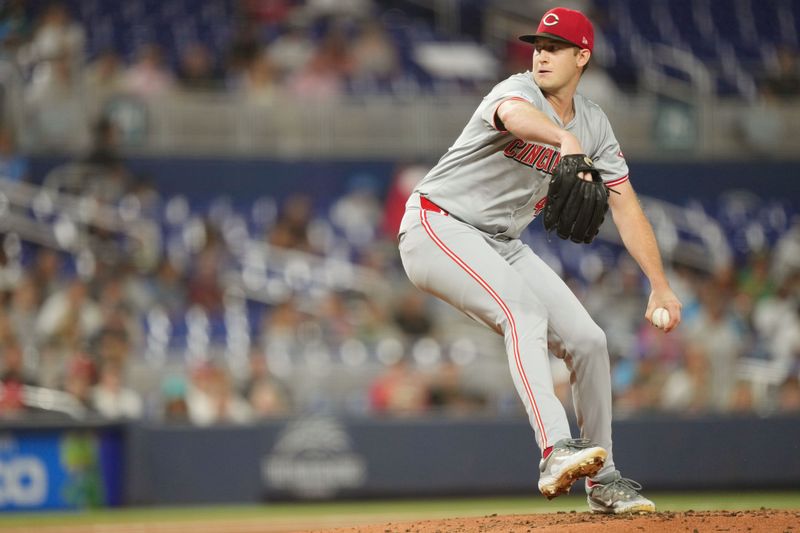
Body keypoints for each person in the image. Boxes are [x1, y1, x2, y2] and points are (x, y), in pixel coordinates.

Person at [396, 7, 682, 514]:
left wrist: (659, 283)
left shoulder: (594, 123)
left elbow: (626, 203)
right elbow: (513, 117)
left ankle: (605, 481)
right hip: (437, 225)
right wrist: (562, 139)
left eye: (554, 47)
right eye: (538, 46)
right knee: (522, 313)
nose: (541, 54)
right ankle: (555, 449)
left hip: (501, 241)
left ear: (583, 57)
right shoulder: (518, 91)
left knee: (589, 342)